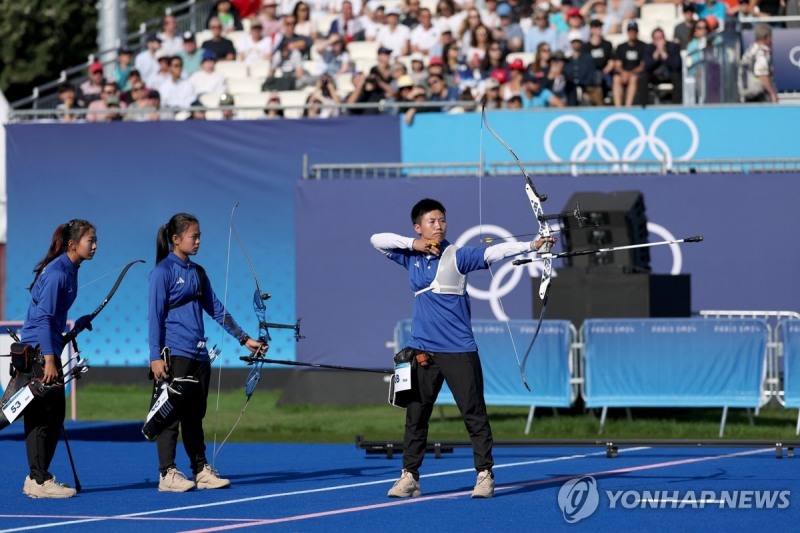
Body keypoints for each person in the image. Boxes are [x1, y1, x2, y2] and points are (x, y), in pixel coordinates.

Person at [371, 199, 555, 499]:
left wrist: (532, 245)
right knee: (416, 416)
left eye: (442, 220)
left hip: (458, 350)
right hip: (422, 351)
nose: (439, 226)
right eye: (432, 221)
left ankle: (484, 475)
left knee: (474, 414)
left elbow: (494, 252)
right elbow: (376, 240)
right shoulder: (410, 255)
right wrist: (415, 245)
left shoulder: (457, 255)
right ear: (418, 227)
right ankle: (409, 477)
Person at [148, 213, 264, 492]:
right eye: (194, 236)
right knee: (170, 416)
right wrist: (155, 357)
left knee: (194, 416)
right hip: (175, 355)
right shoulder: (163, 272)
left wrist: (244, 338)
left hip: (199, 356)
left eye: (199, 236)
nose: (198, 241)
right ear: (176, 239)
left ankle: (200, 470)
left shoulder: (198, 272)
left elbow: (215, 309)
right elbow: (155, 316)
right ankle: (167, 474)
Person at [19, 220, 98, 498]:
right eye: (90, 240)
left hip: (47, 347)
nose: (95, 246)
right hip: (39, 353)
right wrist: (50, 359)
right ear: (72, 244)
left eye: (96, 240)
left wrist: (74, 329)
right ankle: (38, 480)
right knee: (42, 416)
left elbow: (53, 320)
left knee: (54, 415)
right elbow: (42, 318)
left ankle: (38, 476)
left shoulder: (70, 270)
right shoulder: (57, 273)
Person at [738, 23, 778, 103]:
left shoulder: (750, 50)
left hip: (746, 92)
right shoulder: (762, 52)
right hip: (759, 94)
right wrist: (773, 94)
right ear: (767, 37)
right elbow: (763, 75)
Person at [612, 21, 646, 107]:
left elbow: (642, 65)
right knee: (616, 78)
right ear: (627, 32)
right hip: (623, 73)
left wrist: (630, 73)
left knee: (633, 78)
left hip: (636, 74)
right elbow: (617, 65)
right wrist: (624, 73)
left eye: (634, 31)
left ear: (637, 32)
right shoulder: (621, 47)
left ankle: (628, 106)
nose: (632, 33)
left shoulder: (643, 46)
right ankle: (618, 107)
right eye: (630, 31)